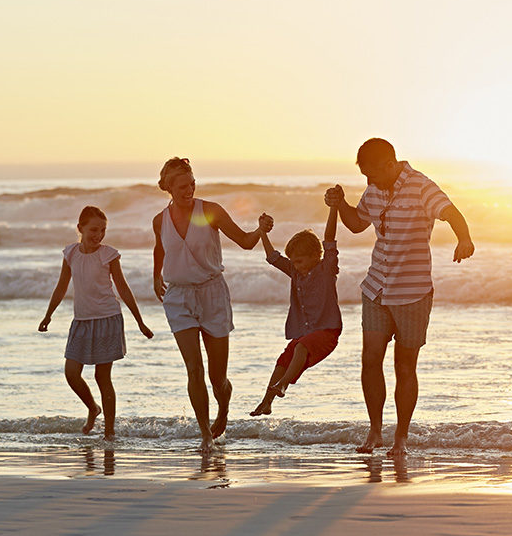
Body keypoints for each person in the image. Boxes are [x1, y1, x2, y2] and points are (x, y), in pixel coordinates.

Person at [326, 138, 475, 457]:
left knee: (404, 367)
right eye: (364, 176)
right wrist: (340, 204)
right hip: (376, 287)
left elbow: (451, 212)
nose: (369, 182)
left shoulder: (422, 186)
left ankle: (401, 439)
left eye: (372, 174)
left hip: (413, 291)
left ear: (390, 165)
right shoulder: (374, 189)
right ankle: (376, 431)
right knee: (370, 360)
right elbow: (355, 224)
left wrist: (464, 238)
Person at [152, 157, 273, 453]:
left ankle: (224, 409)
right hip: (178, 297)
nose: (189, 189)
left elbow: (245, 242)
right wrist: (157, 276)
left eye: (192, 183)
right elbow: (160, 246)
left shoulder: (209, 211)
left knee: (217, 377)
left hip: (212, 294)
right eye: (182, 186)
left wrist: (261, 229)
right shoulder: (160, 220)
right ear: (168, 187)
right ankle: (205, 433)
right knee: (194, 368)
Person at [39, 205, 154, 441]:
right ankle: (93, 408)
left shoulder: (108, 255)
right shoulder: (70, 253)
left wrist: (140, 321)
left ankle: (109, 432)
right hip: (81, 321)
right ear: (80, 228)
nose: (98, 235)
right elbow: (62, 286)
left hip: (107, 320)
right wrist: (48, 314)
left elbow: (122, 288)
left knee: (103, 378)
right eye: (93, 229)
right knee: (71, 373)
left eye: (103, 230)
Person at [249, 203, 343, 417]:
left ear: (315, 256)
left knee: (300, 347)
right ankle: (266, 402)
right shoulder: (295, 271)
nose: (296, 266)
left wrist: (333, 208)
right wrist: (262, 232)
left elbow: (329, 238)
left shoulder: (326, 269)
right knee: (283, 359)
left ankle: (283, 386)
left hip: (327, 333)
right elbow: (273, 257)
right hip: (307, 334)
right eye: (294, 262)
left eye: (300, 261)